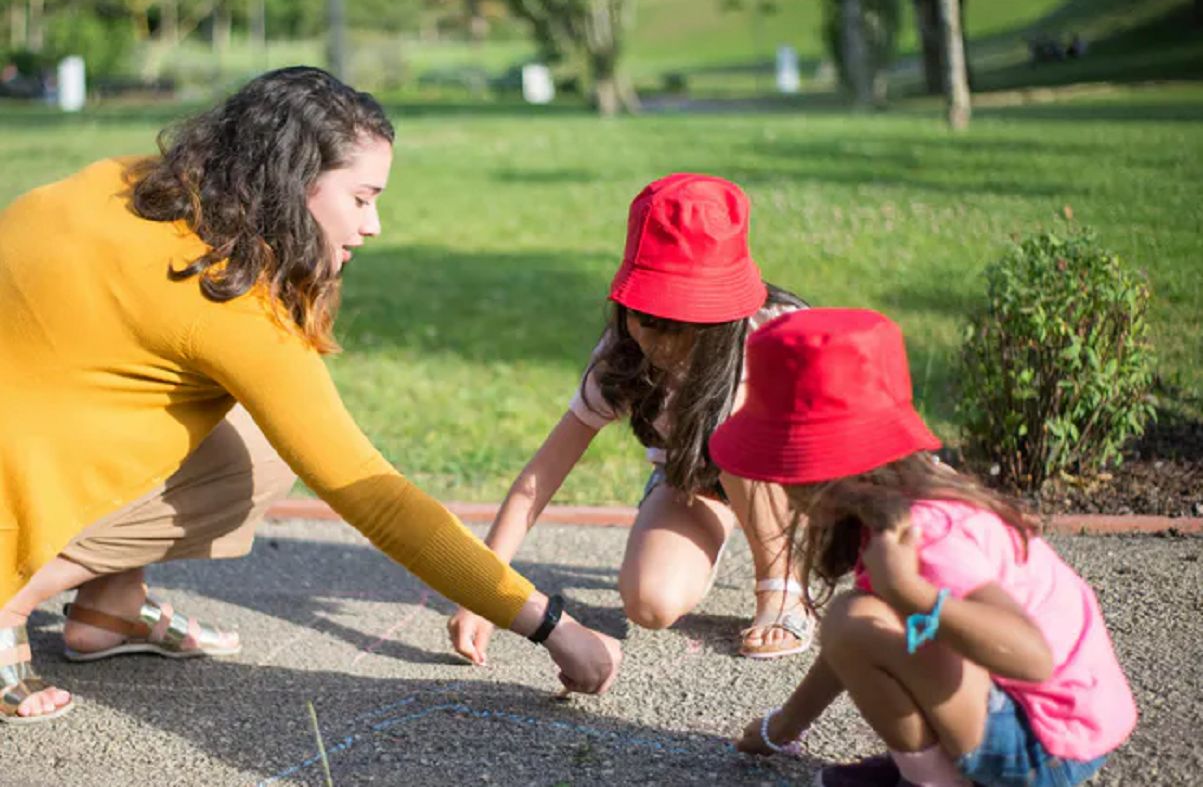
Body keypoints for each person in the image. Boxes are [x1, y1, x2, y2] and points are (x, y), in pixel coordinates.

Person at [0, 66, 621, 724]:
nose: (374, 223)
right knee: (268, 446)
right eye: (361, 197)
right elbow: (372, 496)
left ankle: (111, 606)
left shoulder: (117, 182)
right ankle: (13, 599)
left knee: (208, 402)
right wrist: (553, 626)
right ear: (294, 182)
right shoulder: (223, 302)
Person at [711, 308, 1137, 786]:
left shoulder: (929, 534)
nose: (779, 486)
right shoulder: (889, 504)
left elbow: (1031, 657)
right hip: (1053, 721)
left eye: (781, 468)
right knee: (857, 620)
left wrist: (912, 593)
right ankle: (936, 768)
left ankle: (936, 780)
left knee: (853, 618)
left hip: (1048, 746)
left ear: (823, 470)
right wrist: (781, 727)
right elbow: (846, 647)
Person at [447, 173, 814, 665]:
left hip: (790, 482)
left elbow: (847, 438)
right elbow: (540, 477)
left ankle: (783, 587)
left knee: (731, 434)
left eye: (680, 327)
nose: (659, 344)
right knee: (650, 603)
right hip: (694, 481)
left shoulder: (777, 333)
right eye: (647, 320)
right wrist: (486, 592)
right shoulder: (622, 356)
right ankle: (726, 526)